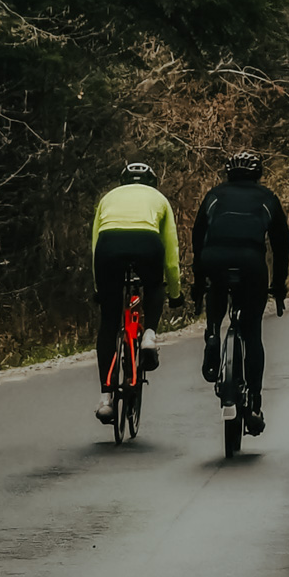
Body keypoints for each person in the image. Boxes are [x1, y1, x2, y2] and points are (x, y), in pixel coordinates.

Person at [191, 150, 289, 437]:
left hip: (214, 258)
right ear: (258, 174)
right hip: (251, 262)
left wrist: (199, 285)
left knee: (217, 291)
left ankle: (212, 334)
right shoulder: (267, 198)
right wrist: (279, 285)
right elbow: (282, 245)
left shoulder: (214, 196)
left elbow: (198, 239)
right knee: (251, 333)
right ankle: (256, 405)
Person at [89, 161, 183, 425]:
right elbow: (171, 252)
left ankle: (106, 398)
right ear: (152, 182)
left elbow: (96, 244)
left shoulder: (108, 197)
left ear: (123, 182)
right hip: (147, 243)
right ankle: (149, 336)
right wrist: (175, 292)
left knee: (109, 321)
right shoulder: (159, 198)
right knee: (154, 285)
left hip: (109, 245)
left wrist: (100, 288)